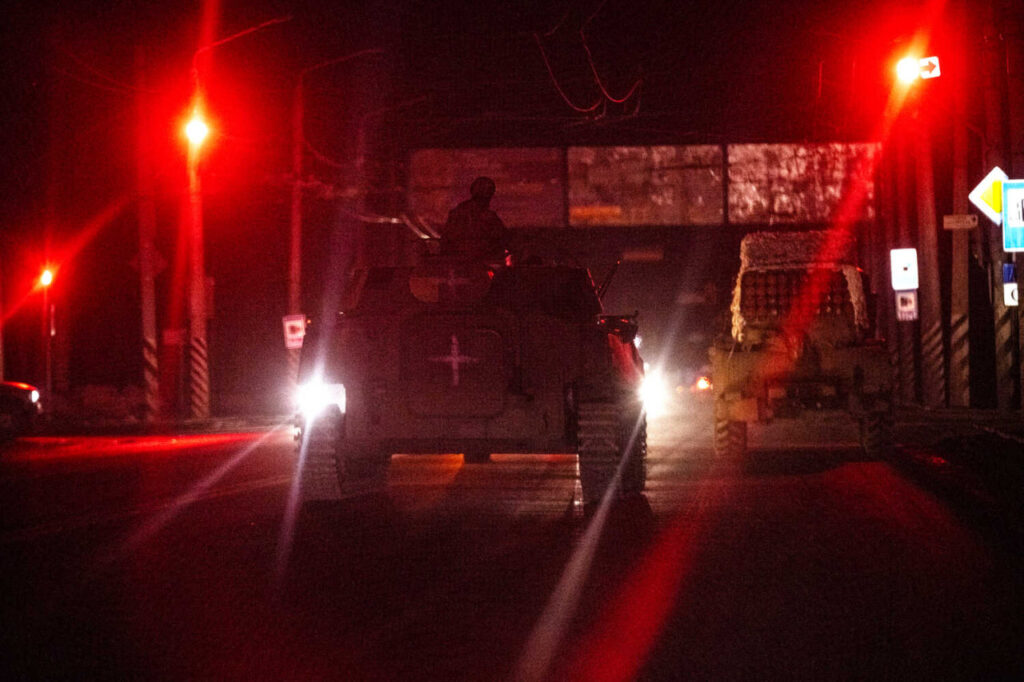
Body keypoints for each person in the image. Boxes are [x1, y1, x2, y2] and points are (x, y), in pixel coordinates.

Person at [440, 176, 509, 264]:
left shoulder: (456, 213)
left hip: (458, 262)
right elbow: (503, 238)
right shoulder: (488, 217)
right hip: (477, 263)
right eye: (489, 192)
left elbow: (446, 241)